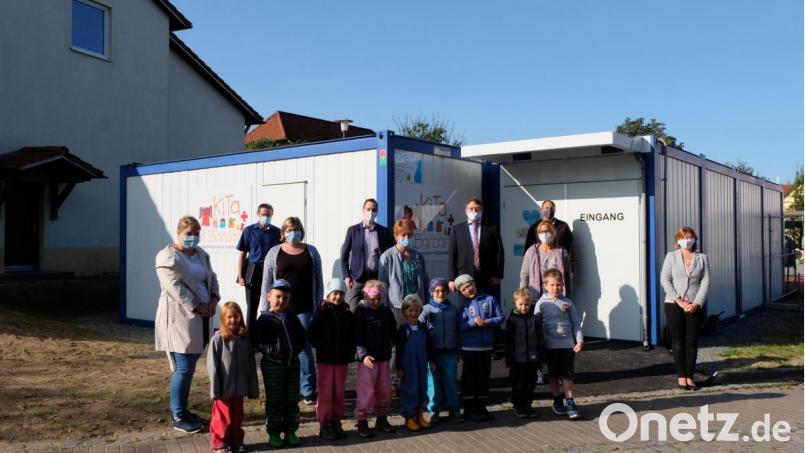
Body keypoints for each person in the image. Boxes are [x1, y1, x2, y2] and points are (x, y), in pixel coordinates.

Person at [155, 215, 220, 434]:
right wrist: (198, 306)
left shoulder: (200, 254)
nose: (193, 237)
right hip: (179, 319)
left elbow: (211, 278)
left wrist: (214, 300)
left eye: (196, 233)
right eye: (189, 233)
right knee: (182, 368)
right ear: (179, 233)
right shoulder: (167, 257)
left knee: (190, 368)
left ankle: (183, 410)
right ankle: (178, 415)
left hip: (202, 317)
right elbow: (175, 289)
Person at [260, 217, 323, 405]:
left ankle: (308, 389)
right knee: (282, 348)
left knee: (304, 348)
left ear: (301, 231)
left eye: (296, 229)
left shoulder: (311, 251)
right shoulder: (274, 252)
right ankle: (287, 387)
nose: (292, 233)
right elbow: (266, 282)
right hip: (280, 309)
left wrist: (318, 304)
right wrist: (265, 309)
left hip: (304, 308)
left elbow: (318, 280)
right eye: (288, 230)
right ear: (283, 233)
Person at [253, 280, 306, 448]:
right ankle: (274, 433)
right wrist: (272, 352)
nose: (281, 301)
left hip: (292, 364)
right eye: (278, 297)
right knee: (275, 400)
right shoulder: (264, 319)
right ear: (269, 296)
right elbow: (257, 341)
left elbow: (302, 337)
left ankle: (290, 431)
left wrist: (295, 351)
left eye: (285, 298)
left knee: (292, 399)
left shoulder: (292, 317)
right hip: (273, 366)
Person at [379, 218, 429, 391]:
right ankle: (394, 381)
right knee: (397, 343)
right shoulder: (387, 256)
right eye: (403, 235)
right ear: (396, 236)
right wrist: (385, 309)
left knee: (416, 341)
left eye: (409, 235)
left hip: (416, 306)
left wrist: (425, 303)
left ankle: (413, 377)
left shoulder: (418, 256)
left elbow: (425, 280)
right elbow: (383, 284)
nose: (406, 238)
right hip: (397, 307)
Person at [660, 226, 710, 390]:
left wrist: (697, 303)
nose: (687, 240)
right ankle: (681, 376)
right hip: (674, 304)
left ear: (694, 239)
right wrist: (679, 300)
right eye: (683, 237)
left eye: (689, 237)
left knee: (692, 341)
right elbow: (665, 280)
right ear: (678, 240)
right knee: (678, 340)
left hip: (694, 305)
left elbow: (705, 282)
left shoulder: (702, 258)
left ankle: (690, 376)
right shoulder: (671, 256)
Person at [206, 302, 259, 453]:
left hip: (239, 389)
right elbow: (212, 366)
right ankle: (220, 443)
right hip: (223, 390)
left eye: (236, 316)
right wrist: (215, 389)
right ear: (223, 318)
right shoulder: (217, 340)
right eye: (229, 317)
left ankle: (235, 441)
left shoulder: (245, 339)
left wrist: (252, 387)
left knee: (237, 417)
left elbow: (250, 364)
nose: (233, 320)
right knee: (222, 419)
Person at [307, 278, 355, 440]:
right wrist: (323, 345)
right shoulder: (321, 313)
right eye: (335, 293)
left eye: (341, 293)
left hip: (341, 360)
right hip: (325, 361)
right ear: (328, 295)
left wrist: (350, 351)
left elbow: (352, 336)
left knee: (339, 392)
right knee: (326, 393)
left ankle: (336, 421)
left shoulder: (347, 314)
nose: (338, 297)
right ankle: (324, 424)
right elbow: (311, 334)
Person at [535, 269, 583, 420]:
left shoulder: (568, 302)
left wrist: (579, 340)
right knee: (554, 375)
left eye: (559, 285)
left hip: (567, 345)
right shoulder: (541, 304)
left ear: (563, 285)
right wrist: (539, 345)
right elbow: (536, 325)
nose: (556, 288)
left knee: (567, 375)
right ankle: (557, 400)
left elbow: (576, 323)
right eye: (552, 285)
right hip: (550, 346)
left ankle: (570, 402)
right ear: (545, 285)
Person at [352, 280, 397, 438]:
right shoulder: (360, 312)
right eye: (373, 299)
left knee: (384, 390)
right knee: (366, 391)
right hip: (368, 360)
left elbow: (393, 330)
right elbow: (357, 337)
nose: (376, 302)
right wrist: (363, 355)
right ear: (365, 296)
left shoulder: (386, 312)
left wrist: (393, 343)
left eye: (379, 299)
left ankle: (381, 418)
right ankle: (362, 420)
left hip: (384, 357)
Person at [456, 274, 503, 421]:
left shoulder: (490, 299)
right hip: (469, 349)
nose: (468, 290)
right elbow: (460, 327)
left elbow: (500, 317)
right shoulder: (463, 306)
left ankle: (481, 406)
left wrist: (486, 322)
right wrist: (472, 322)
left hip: (486, 347)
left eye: (469, 286)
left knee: (483, 377)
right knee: (470, 378)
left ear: (474, 284)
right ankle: (469, 408)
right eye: (464, 289)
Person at [340, 198, 396, 311]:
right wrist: (346, 276)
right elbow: (344, 254)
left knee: (375, 310)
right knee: (352, 310)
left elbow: (392, 252)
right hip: (357, 279)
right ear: (363, 210)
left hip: (376, 279)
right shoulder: (353, 231)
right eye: (368, 209)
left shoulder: (383, 232)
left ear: (377, 212)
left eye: (374, 210)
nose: (371, 212)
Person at [419, 278, 462, 424]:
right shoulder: (426, 309)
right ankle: (434, 410)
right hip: (433, 354)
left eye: (443, 290)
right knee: (433, 383)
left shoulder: (453, 310)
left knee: (451, 381)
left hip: (450, 352)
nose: (440, 293)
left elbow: (458, 331)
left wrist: (458, 350)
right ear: (431, 292)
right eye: (437, 291)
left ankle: (453, 408)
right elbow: (421, 330)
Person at [236, 203, 281, 328]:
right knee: (252, 306)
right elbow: (242, 254)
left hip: (270, 271)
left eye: (268, 215)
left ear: (271, 215)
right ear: (258, 214)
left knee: (271, 305)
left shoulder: (277, 232)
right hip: (252, 270)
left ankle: (269, 332)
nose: (265, 217)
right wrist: (241, 276)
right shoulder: (249, 231)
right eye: (263, 214)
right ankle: (250, 335)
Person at [447, 198, 504, 295]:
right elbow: (452, 255)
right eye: (471, 208)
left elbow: (499, 252)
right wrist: (452, 279)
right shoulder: (457, 229)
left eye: (477, 209)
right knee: (466, 304)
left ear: (482, 210)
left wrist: (498, 275)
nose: (474, 211)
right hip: (464, 278)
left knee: (487, 303)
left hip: (487, 277)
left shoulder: (491, 229)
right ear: (466, 210)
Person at [395, 295, 433, 432]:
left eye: (417, 310)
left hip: (422, 364)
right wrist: (399, 368)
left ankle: (420, 414)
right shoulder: (403, 329)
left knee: (423, 387)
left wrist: (432, 361)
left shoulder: (423, 328)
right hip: (408, 366)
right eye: (410, 310)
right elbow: (399, 350)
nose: (414, 313)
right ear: (404, 311)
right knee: (410, 389)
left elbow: (429, 346)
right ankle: (409, 417)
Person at [505, 288, 543, 419]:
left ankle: (528, 405)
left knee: (530, 384)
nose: (524, 307)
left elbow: (539, 338)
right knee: (518, 384)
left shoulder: (535, 319)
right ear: (515, 303)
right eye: (520, 304)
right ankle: (518, 406)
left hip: (532, 358)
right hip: (517, 359)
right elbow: (508, 341)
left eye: (526, 304)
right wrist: (509, 358)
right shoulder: (512, 320)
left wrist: (540, 356)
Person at [520, 219, 572, 306]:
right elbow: (524, 275)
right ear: (538, 234)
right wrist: (522, 296)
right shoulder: (531, 251)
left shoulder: (562, 252)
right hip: (535, 300)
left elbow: (567, 277)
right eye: (541, 232)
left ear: (553, 232)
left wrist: (569, 298)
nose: (544, 234)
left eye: (547, 231)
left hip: (557, 300)